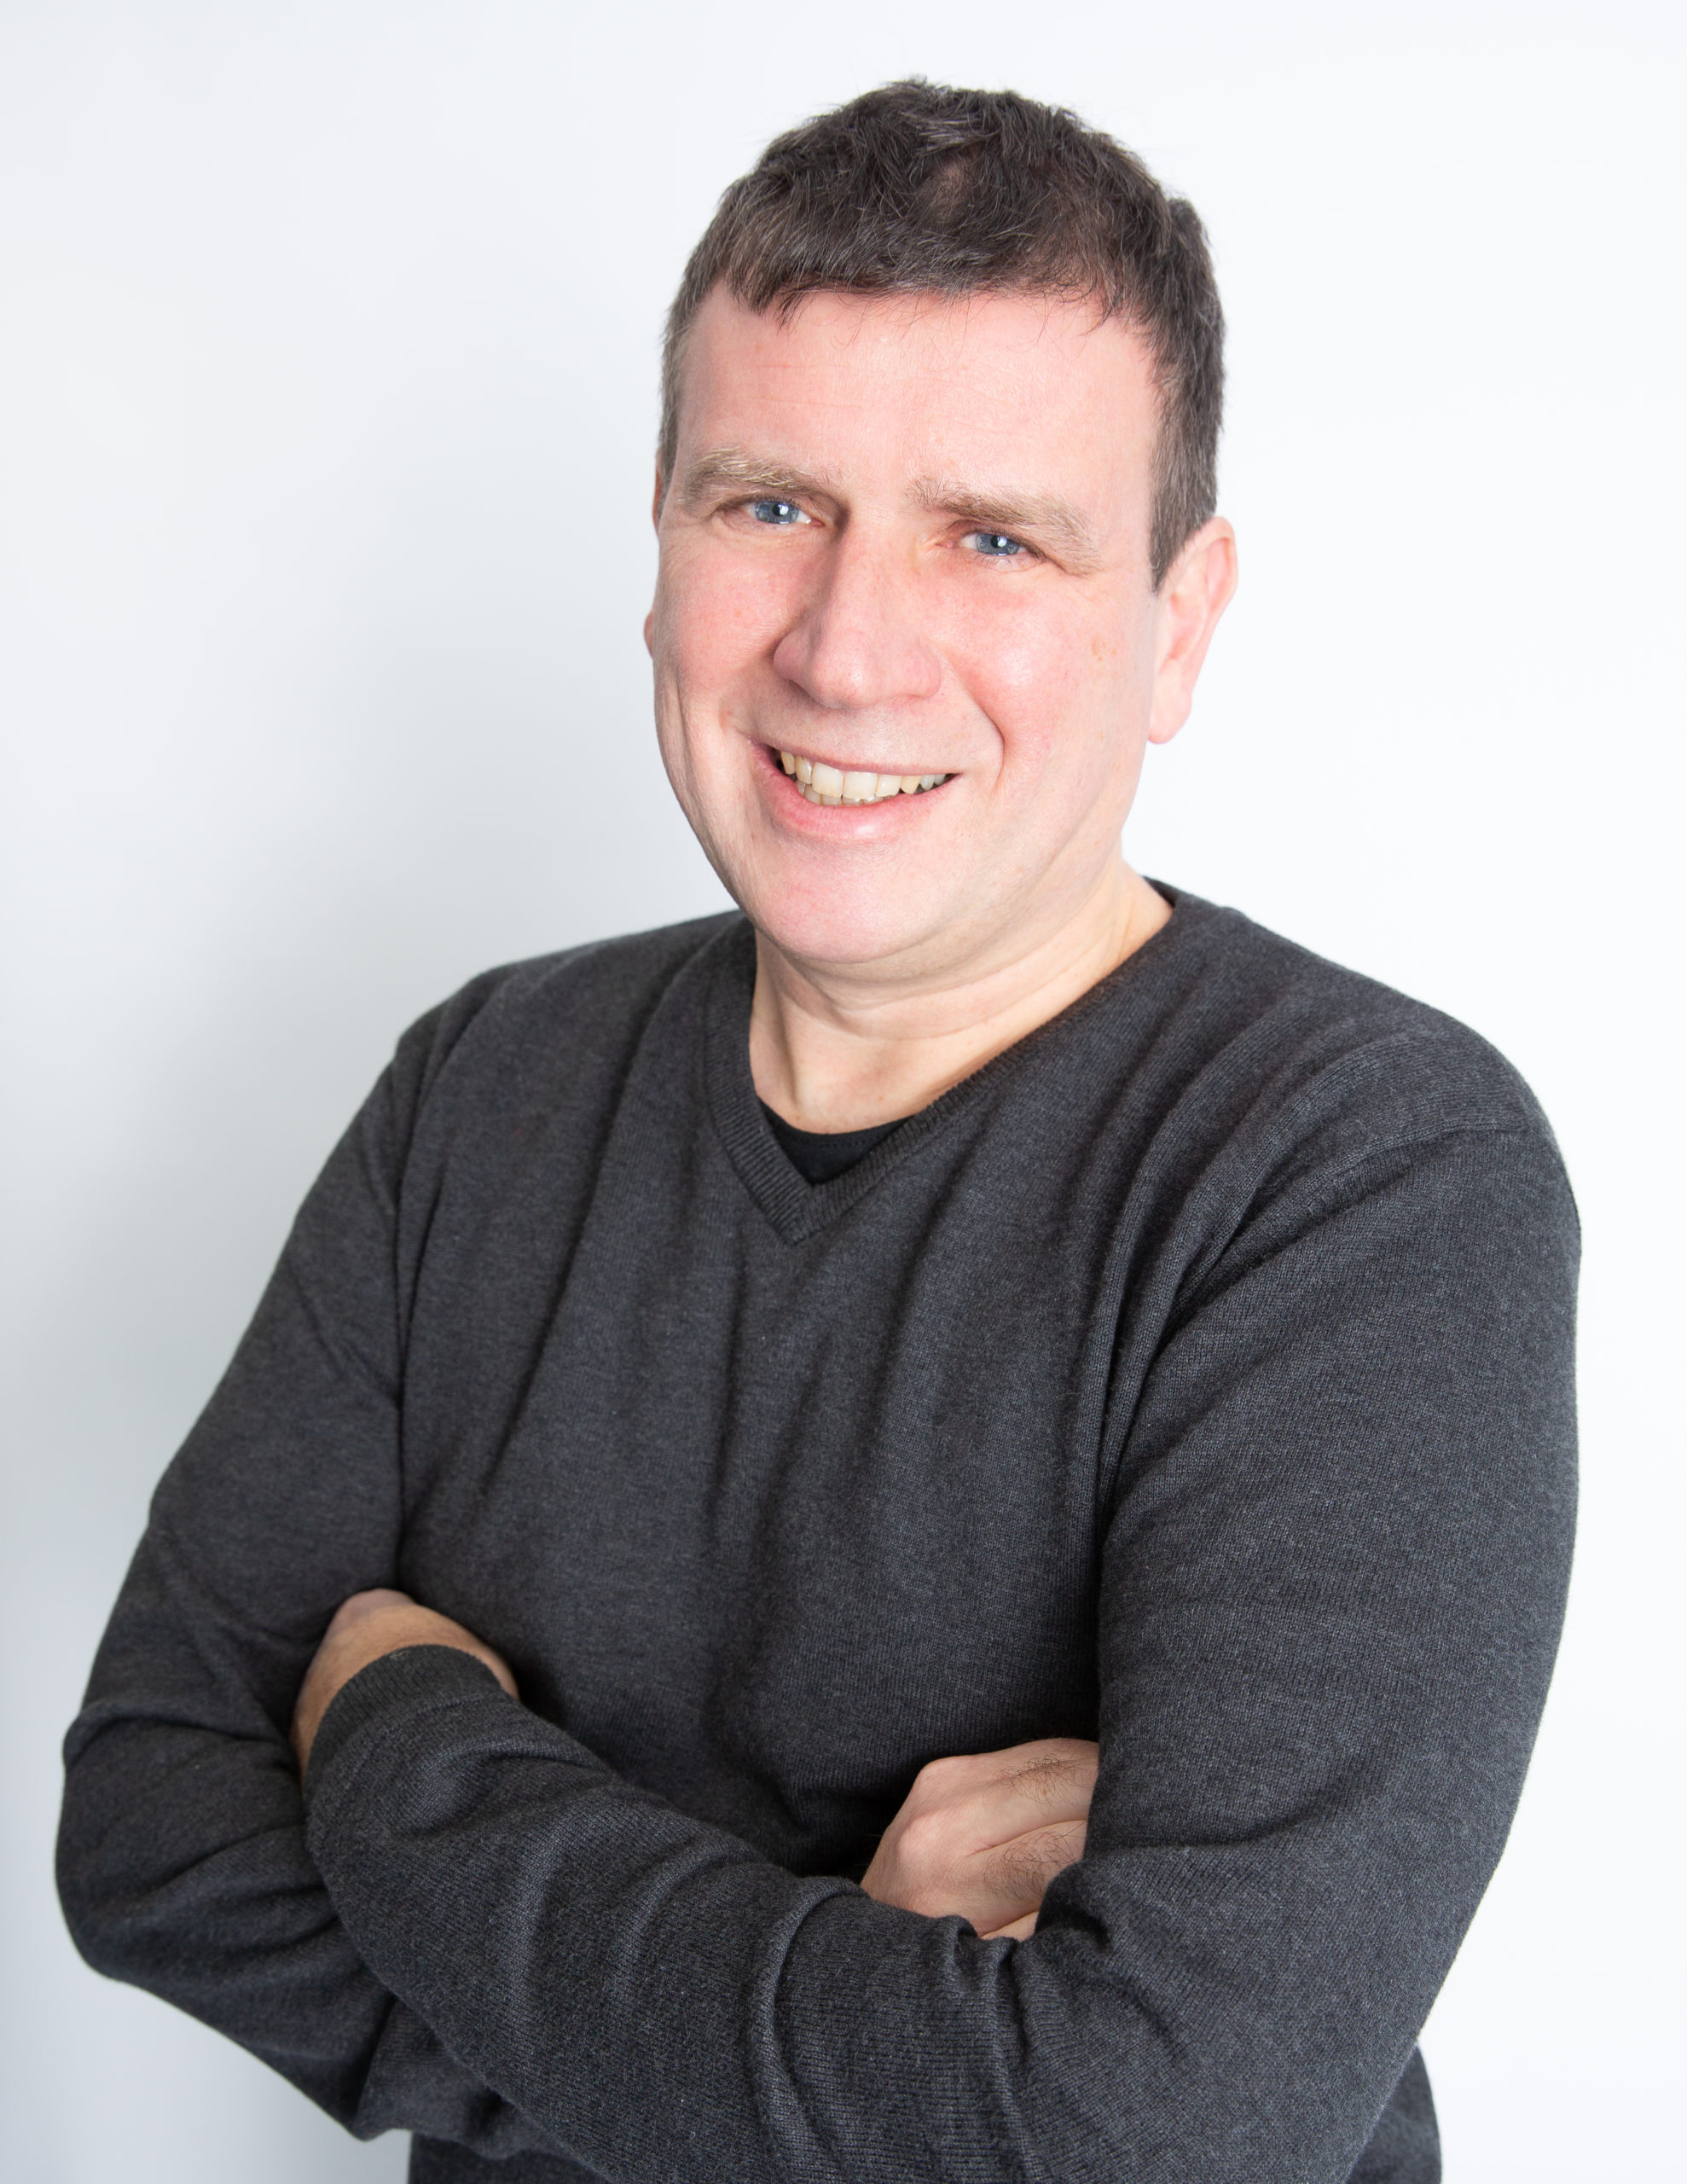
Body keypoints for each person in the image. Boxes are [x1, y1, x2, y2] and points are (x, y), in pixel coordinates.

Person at [56, 80, 1578, 2184]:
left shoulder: (1356, 1173)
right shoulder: (476, 1086)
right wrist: (868, 2021)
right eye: (769, 504)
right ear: (658, 543)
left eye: (992, 535)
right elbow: (150, 1833)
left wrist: (398, 1739)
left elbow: (1163, 2138)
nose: (848, 649)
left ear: (1177, 620)